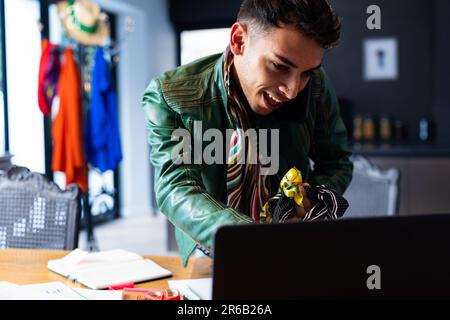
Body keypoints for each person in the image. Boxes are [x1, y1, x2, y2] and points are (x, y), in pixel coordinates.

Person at [142, 0, 353, 266]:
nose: (291, 90)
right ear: (239, 40)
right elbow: (176, 188)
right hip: (208, 251)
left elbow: (336, 164)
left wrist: (313, 202)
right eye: (279, 66)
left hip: (294, 244)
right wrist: (252, 237)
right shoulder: (169, 96)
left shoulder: (317, 86)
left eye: (306, 74)